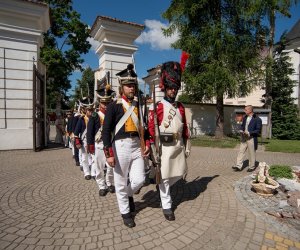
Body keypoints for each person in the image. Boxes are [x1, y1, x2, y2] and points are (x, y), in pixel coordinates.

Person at [102, 64, 150, 228]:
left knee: (140, 179)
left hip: (137, 145)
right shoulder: (113, 106)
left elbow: (144, 127)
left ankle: (129, 195)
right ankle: (125, 212)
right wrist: (108, 152)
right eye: (129, 85)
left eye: (133, 85)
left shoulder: (139, 105)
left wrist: (147, 143)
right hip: (120, 146)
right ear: (121, 87)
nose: (132, 88)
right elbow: (106, 130)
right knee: (121, 182)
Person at [148, 61, 191, 221]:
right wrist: (153, 147)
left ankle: (159, 185)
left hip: (178, 145)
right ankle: (167, 205)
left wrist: (187, 142)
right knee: (165, 177)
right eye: (170, 88)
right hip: (164, 146)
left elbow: (184, 125)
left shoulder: (180, 107)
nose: (173, 91)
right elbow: (152, 128)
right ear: (165, 88)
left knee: (180, 173)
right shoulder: (158, 106)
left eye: (175, 88)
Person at [87, 84, 115, 197]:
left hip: (110, 143)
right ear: (100, 103)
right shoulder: (95, 115)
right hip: (99, 144)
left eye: (108, 103)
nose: (106, 105)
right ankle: (101, 186)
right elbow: (90, 131)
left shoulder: (113, 114)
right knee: (98, 167)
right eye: (104, 103)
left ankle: (110, 183)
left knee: (110, 167)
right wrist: (90, 145)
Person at [232, 105, 262, 172]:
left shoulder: (257, 119)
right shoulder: (245, 117)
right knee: (241, 151)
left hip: (251, 138)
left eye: (245, 110)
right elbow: (242, 126)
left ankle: (251, 167)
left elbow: (258, 130)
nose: (244, 111)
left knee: (251, 153)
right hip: (244, 137)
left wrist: (249, 133)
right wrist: (241, 130)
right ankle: (238, 166)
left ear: (250, 110)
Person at [74, 98, 93, 180]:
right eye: (88, 110)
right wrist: (77, 142)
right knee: (84, 157)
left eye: (91, 110)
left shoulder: (95, 119)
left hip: (92, 140)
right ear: (85, 110)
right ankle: (87, 172)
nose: (90, 112)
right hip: (84, 140)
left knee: (92, 157)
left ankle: (93, 171)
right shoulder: (81, 119)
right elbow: (76, 132)